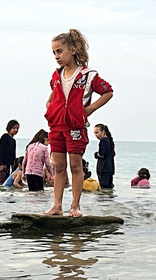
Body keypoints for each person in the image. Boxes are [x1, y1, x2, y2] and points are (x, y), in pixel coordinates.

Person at [43, 28, 113, 217]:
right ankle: (57, 206)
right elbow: (54, 93)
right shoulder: (56, 75)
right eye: (54, 52)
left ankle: (75, 206)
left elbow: (108, 92)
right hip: (56, 125)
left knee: (75, 165)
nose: (56, 56)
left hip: (76, 126)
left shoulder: (88, 75)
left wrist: (89, 110)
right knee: (58, 167)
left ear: (73, 50)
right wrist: (49, 105)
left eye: (59, 51)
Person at [0, 119, 19, 185]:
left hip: (8, 162)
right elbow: (0, 150)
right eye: (14, 128)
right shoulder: (5, 137)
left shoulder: (13, 141)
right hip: (1, 161)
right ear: (9, 128)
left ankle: (5, 194)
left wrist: (14, 164)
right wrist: (0, 163)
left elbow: (13, 153)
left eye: (17, 128)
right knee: (1, 180)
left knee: (6, 180)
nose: (16, 130)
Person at [93, 123, 115, 189]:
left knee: (103, 188)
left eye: (97, 132)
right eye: (94, 133)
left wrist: (96, 154)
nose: (96, 135)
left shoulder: (103, 141)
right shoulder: (109, 141)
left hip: (103, 169)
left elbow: (101, 154)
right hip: (110, 168)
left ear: (103, 132)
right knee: (109, 187)